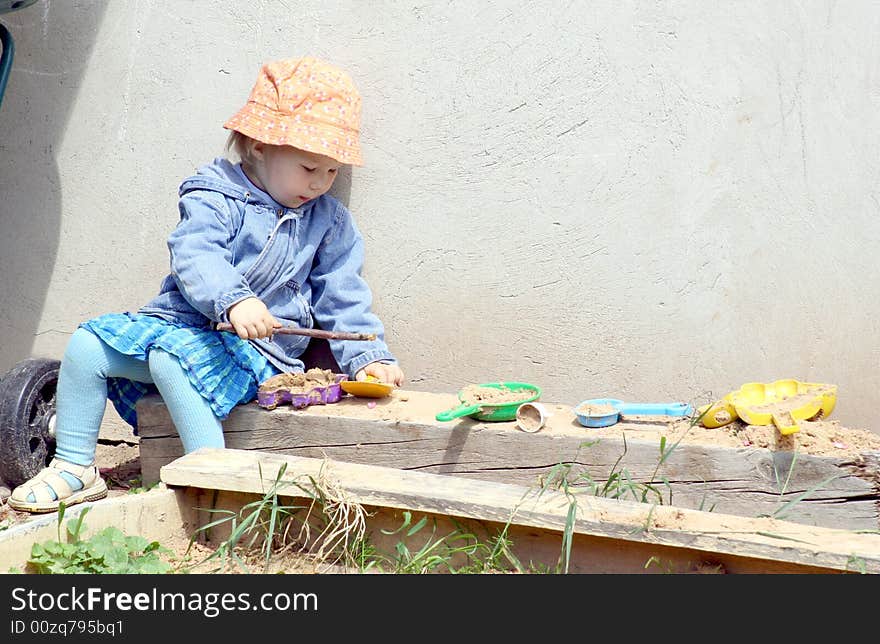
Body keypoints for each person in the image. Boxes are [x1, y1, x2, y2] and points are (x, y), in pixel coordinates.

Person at [8, 56, 404, 513]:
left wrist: (369, 358)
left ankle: (215, 480)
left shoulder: (328, 222)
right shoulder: (214, 192)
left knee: (171, 359)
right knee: (85, 346)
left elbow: (343, 294)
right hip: (182, 322)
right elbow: (196, 254)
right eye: (309, 168)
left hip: (258, 351)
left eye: (331, 172)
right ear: (259, 145)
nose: (320, 184)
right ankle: (75, 465)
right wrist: (233, 299)